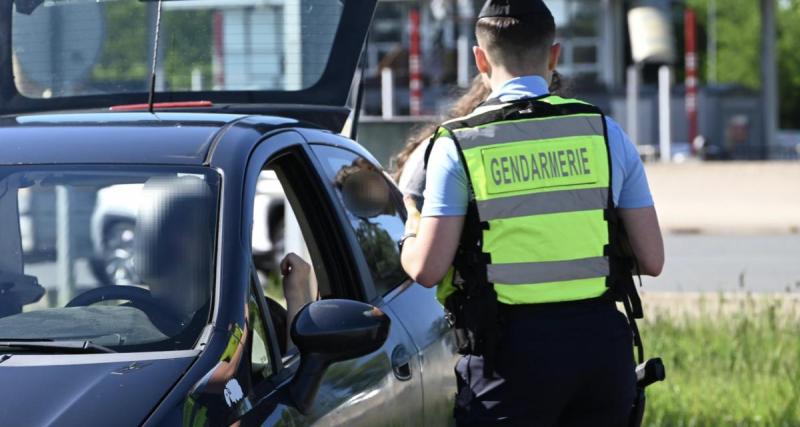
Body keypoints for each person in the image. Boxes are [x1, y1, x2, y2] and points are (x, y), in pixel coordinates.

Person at [399, 1, 664, 425]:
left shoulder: (457, 144)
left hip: (508, 360)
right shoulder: (603, 131)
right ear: (554, 55)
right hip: (600, 357)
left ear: (480, 58)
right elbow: (652, 259)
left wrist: (410, 228)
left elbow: (428, 269)